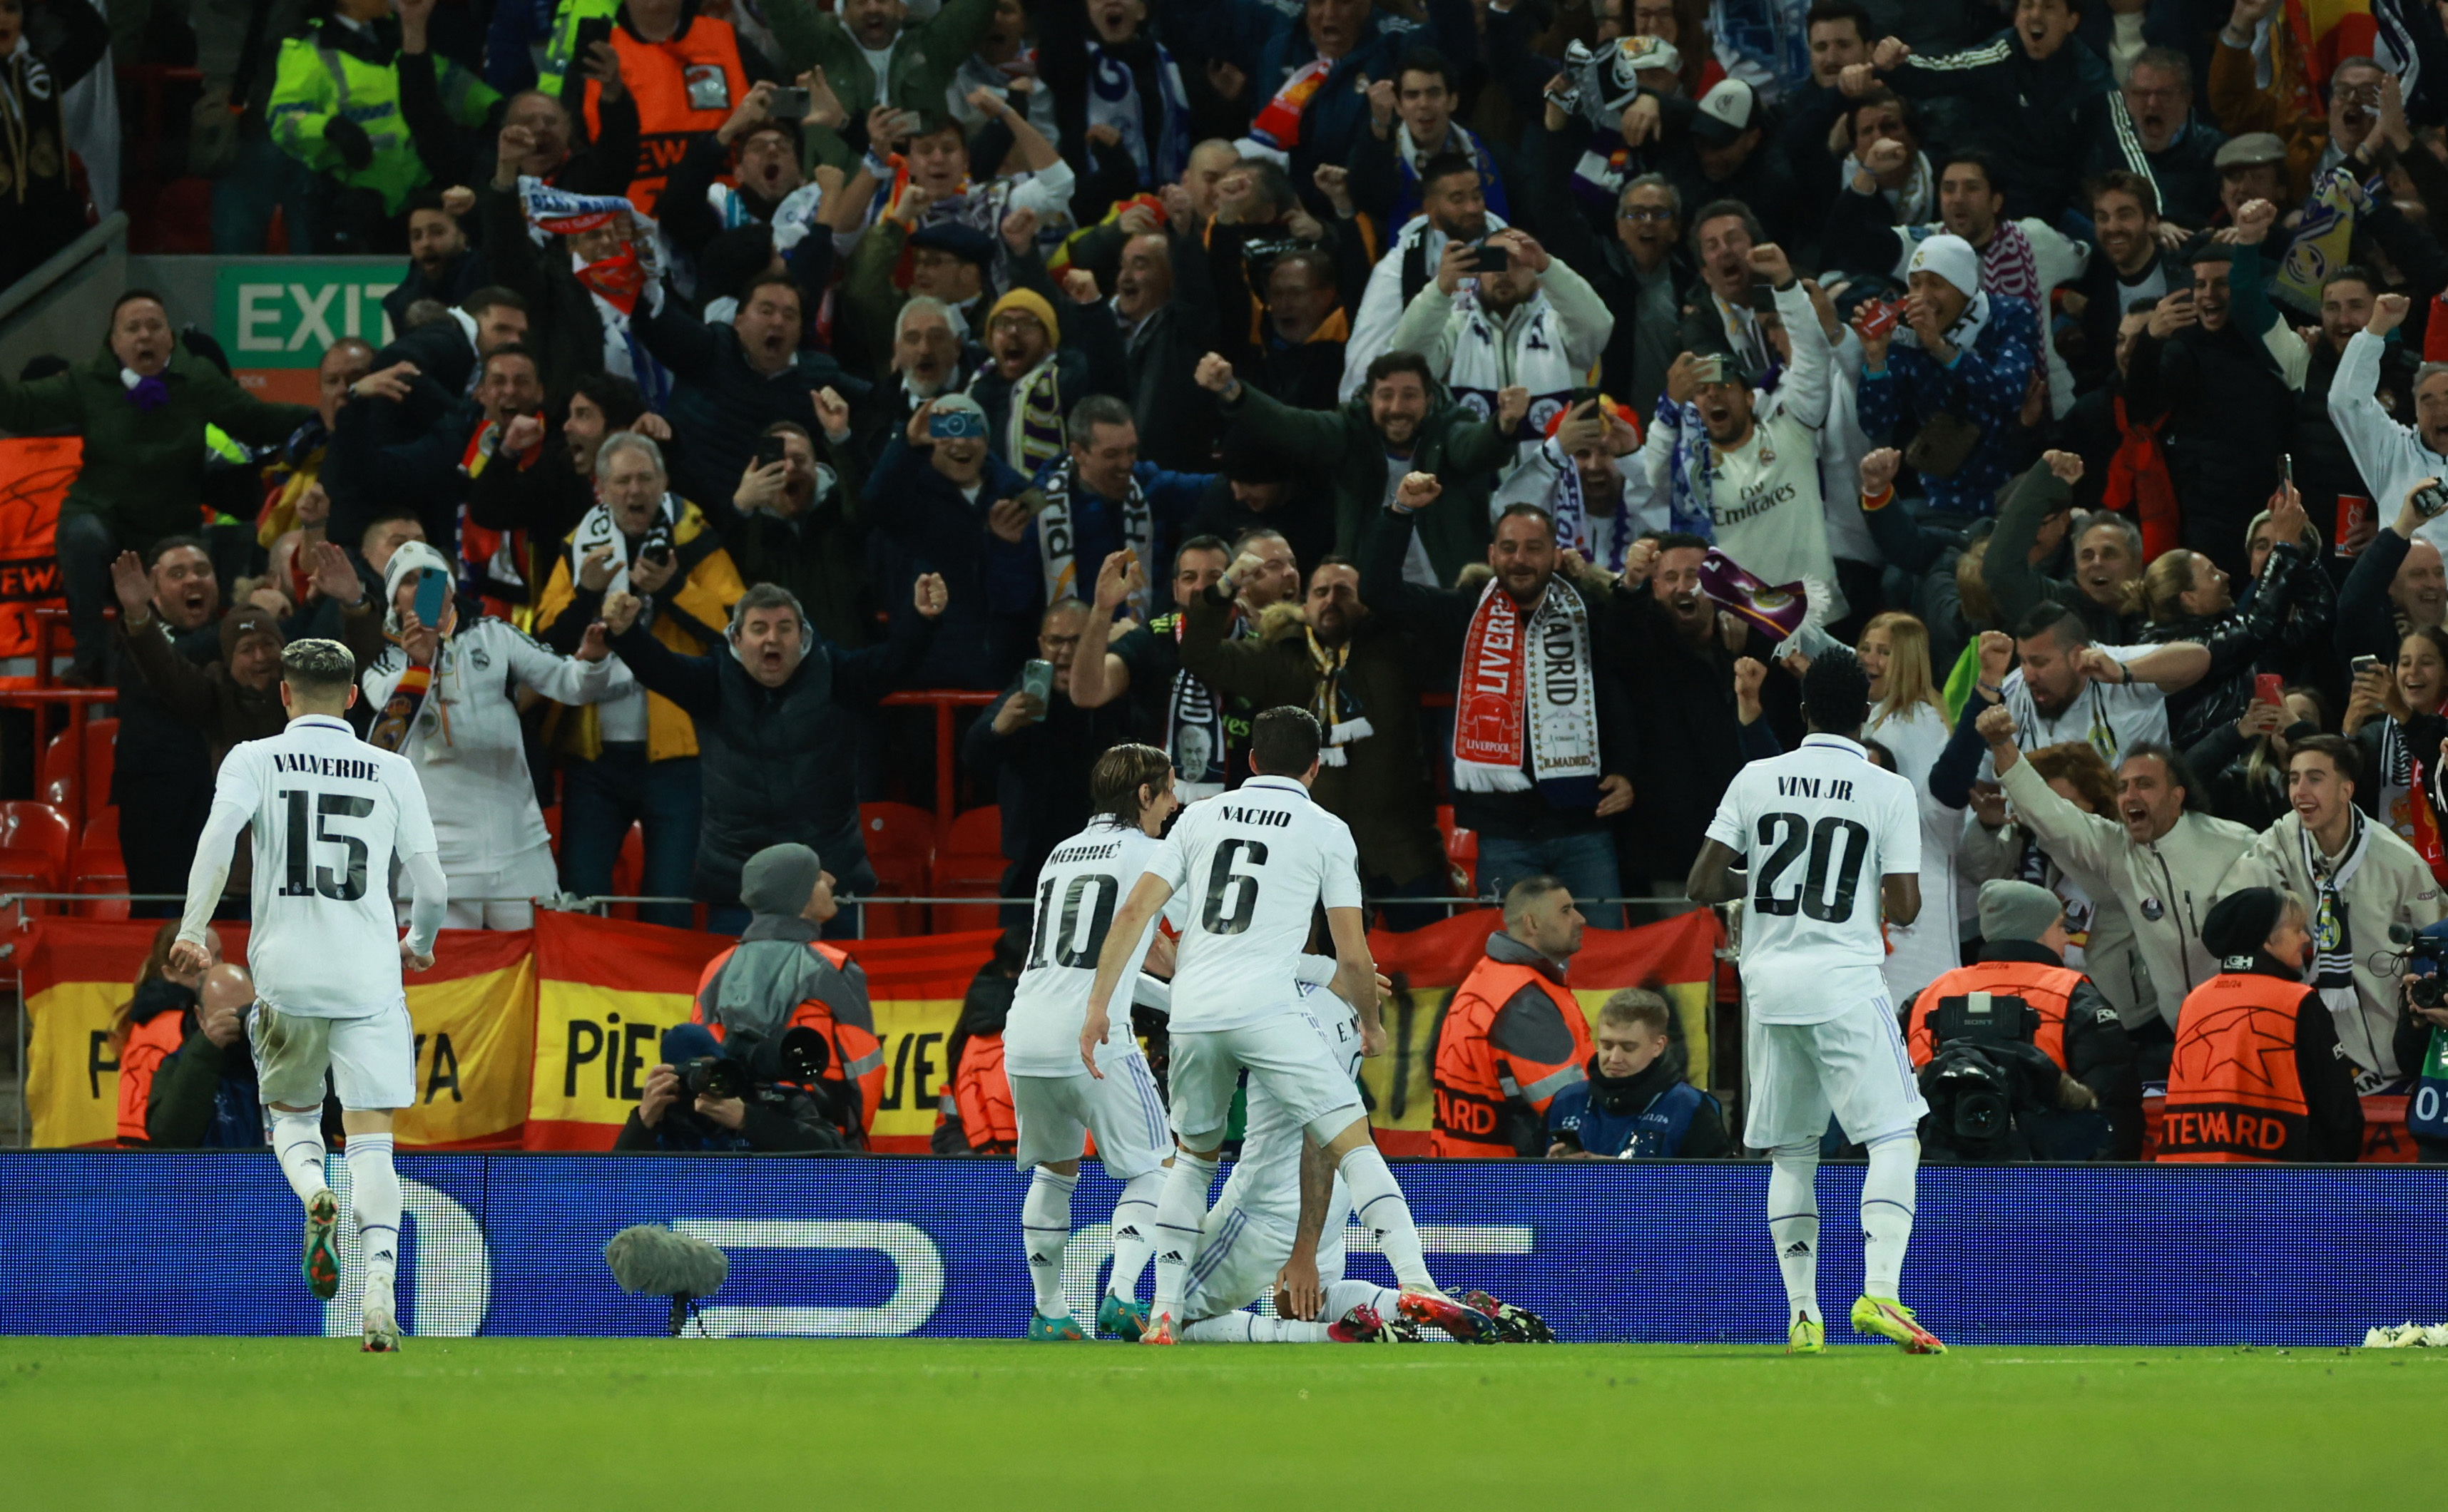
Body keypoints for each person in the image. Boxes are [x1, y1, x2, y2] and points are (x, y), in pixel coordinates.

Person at [1079, 707, 1459, 1347]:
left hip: (1196, 1013)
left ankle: (1165, 1314)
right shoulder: (1326, 828)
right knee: (1354, 1143)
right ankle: (1417, 1283)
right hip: (1269, 1009)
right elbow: (1352, 951)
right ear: (1315, 767)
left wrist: (1098, 1009)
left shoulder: (1198, 816)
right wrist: (1370, 1022)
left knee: (1194, 1164)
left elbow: (1135, 912)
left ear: (1250, 761)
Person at [168, 638, 446, 1352]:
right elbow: (433, 884)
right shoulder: (392, 768)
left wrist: (195, 928)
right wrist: (418, 942)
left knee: (293, 1122)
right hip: (369, 979)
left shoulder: (253, 758)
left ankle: (313, 1194)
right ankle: (379, 1290)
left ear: (285, 695)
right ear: (354, 695)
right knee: (373, 1141)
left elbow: (216, 838)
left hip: (288, 976)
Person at [1685, 650, 1939, 1355]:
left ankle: (1804, 1314)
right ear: (1867, 713)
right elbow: (1906, 903)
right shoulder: (1885, 789)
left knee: (1793, 1153)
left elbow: (1702, 884)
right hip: (1844, 979)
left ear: (1800, 712)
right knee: (1894, 1134)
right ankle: (1881, 1291)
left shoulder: (1755, 777)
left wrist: (1762, 866)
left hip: (1768, 987)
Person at [2, 291, 315, 684]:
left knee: (189, 572)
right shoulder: (86, 381)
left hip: (170, 525)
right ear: (114, 343)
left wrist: (327, 417)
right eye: (132, 328)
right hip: (102, 516)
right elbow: (18, 408)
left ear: (170, 338)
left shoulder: (197, 378)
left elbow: (254, 418)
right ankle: (91, 660)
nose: (144, 336)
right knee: (82, 535)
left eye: (154, 326)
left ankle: (190, 664)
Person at [1360, 476, 1638, 918]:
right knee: (1512, 962)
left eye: (1533, 548)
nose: (1520, 559)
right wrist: (1400, 512)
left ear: (1556, 555)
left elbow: (1619, 696)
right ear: (1491, 556)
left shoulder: (1591, 613)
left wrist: (1626, 770)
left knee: (1602, 964)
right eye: (1509, 548)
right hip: (1505, 834)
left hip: (1585, 826)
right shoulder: (1464, 614)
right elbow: (1377, 590)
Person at [601, 578, 947, 924]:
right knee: (744, 981)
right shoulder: (712, 681)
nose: (772, 639)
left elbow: (893, 663)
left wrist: (922, 619)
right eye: (759, 628)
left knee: (831, 979)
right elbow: (662, 669)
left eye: (785, 628)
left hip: (826, 882)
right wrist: (627, 635)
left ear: (803, 637)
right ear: (736, 639)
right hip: (737, 886)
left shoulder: (838, 674)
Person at [1001, 744, 1183, 1342]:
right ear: (1143, 795)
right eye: (1169, 790)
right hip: (1094, 1036)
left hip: (1025, 1030)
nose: (1175, 804)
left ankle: (1050, 1312)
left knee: (1055, 1173)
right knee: (1157, 1168)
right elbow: (1181, 940)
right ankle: (1123, 1296)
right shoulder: (1155, 854)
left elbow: (1093, 962)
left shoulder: (1059, 853)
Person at [531, 432, 747, 927]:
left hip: (677, 758)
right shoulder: (577, 549)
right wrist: (587, 591)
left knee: (669, 901)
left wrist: (673, 588)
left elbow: (738, 628)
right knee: (583, 898)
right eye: (622, 481)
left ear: (664, 483)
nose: (635, 491)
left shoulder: (697, 541)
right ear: (600, 491)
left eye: (645, 478)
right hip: (594, 759)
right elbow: (542, 642)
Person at [362, 541, 628, 929]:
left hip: (520, 847)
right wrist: (420, 665)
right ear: (395, 602)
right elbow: (386, 738)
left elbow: (570, 683)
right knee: (443, 976)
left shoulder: (495, 636)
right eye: (409, 581)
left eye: (432, 577)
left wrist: (595, 659)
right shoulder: (383, 662)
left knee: (540, 962)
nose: (422, 588)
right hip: (437, 856)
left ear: (451, 589)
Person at [1978, 700, 2258, 1068]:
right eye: (2124, 787)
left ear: (2177, 797)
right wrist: (2004, 748)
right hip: (2182, 1034)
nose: (2131, 795)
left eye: (2145, 784)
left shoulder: (2236, 844)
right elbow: (2051, 814)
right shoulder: (2118, 851)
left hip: (2250, 1026)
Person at [1173, 550, 1447, 919]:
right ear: (1305, 605)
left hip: (1403, 850)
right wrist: (1225, 587)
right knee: (1321, 970)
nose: (1330, 600)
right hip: (1308, 854)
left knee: (1426, 967)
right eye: (1320, 592)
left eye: (1343, 592)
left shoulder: (1396, 650)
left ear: (1366, 605)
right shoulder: (1280, 657)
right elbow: (1200, 655)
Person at [2217, 737, 2447, 1081]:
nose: (2300, 791)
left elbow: (2438, 940)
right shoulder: (2280, 842)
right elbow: (2230, 918)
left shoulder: (2398, 862)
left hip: (2390, 1042)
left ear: (2346, 790)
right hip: (2316, 1045)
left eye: (2315, 778)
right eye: (2294, 779)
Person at [1205, 349, 1514, 587]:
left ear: (1429, 400)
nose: (1397, 408)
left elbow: (1478, 447)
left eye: (1409, 396)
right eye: (1386, 396)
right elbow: (1290, 425)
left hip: (1450, 599)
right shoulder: (1350, 433)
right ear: (1369, 399)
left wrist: (1503, 425)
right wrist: (1232, 390)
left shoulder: (1452, 430)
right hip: (1370, 605)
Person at [1906, 879, 2143, 1159]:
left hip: (1936, 1180)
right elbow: (2114, 1107)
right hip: (2045, 1186)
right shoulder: (2073, 995)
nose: (2067, 938)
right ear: (2037, 931)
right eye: (2060, 926)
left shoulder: (1928, 996)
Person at [685, 842, 884, 1145]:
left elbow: (702, 1061)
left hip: (731, 1139)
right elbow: (864, 1071)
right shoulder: (833, 967)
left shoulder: (717, 967)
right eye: (817, 878)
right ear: (797, 897)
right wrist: (845, 1147)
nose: (831, 880)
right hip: (816, 1146)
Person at [963, 598, 1135, 929]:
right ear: (1042, 644)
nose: (1065, 652)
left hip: (1106, 860)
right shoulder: (1026, 691)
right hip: (1033, 866)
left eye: (1077, 640)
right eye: (1056, 641)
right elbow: (973, 754)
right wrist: (1000, 727)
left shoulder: (1118, 692)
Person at [2160, 887, 2365, 1162]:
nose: (2306, 938)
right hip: (2278, 1186)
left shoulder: (2194, 1001)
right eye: (2296, 930)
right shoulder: (2298, 1001)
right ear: (2268, 940)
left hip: (2190, 1186)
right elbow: (2339, 1110)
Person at [1432, 877, 1599, 1156]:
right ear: (1532, 924)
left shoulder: (1492, 975)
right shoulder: (1523, 1000)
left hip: (1466, 1173)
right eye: (1566, 911)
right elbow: (1570, 1116)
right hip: (1507, 1185)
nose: (1580, 919)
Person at [1545, 989, 1730, 1159]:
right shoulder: (1567, 1101)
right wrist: (1547, 1171)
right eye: (1607, 1045)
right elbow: (1527, 1185)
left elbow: (1720, 1189)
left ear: (1658, 1046)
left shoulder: (1691, 1107)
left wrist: (1619, 1176)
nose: (1614, 1058)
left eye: (1628, 1048)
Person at [2330, 297, 2448, 557]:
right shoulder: (2394, 449)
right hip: (2402, 594)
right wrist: (2375, 331)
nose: (2441, 409)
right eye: (2428, 401)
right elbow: (2345, 402)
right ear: (2415, 410)